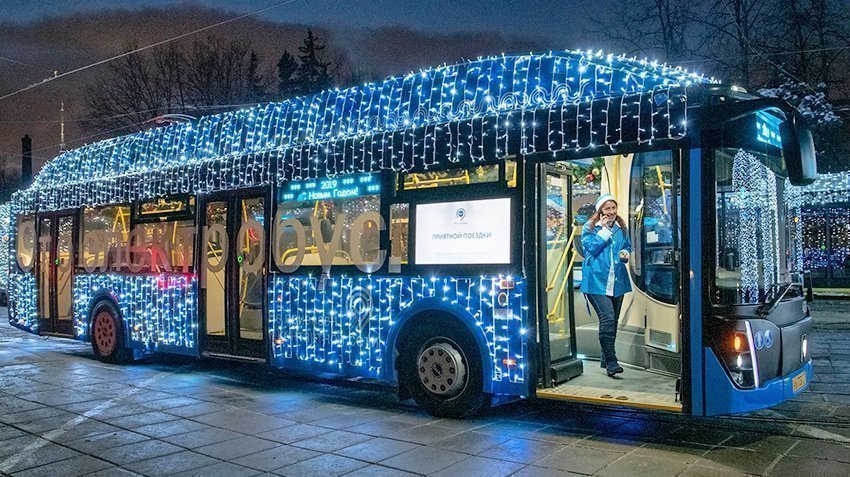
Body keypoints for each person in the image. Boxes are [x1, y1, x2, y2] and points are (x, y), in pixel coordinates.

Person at [580, 193, 632, 377]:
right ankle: (611, 362)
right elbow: (591, 248)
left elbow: (627, 245)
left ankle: (605, 359)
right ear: (600, 210)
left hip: (617, 281)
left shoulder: (622, 227)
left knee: (613, 322)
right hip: (596, 282)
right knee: (608, 318)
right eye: (607, 208)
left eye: (613, 208)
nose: (611, 212)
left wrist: (626, 252)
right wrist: (603, 231)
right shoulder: (590, 227)